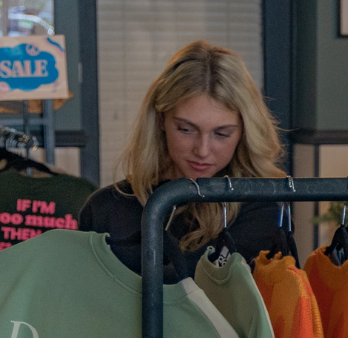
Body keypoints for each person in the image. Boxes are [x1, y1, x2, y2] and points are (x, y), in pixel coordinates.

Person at [80, 40, 294, 277]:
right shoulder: (104, 208)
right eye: (186, 129)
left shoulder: (259, 207)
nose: (202, 150)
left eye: (222, 134)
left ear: (244, 132)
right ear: (161, 119)